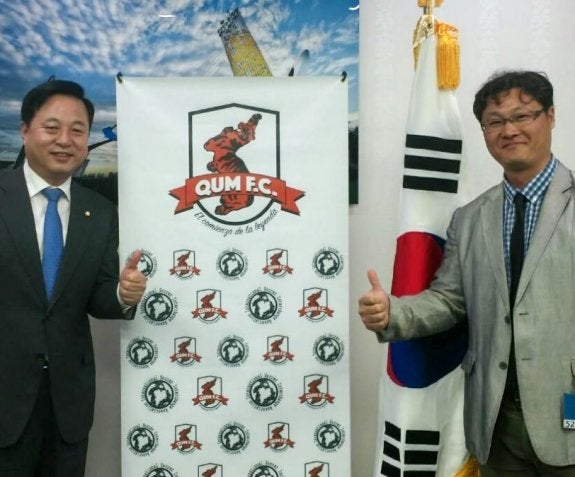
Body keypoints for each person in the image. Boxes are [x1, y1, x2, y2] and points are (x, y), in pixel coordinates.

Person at [358, 70, 575, 476]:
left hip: (567, 416)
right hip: (494, 424)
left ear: (550, 116)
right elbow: (449, 300)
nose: (509, 130)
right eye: (495, 122)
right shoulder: (470, 219)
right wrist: (393, 313)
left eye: (522, 116)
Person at [0, 80, 147, 476]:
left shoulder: (98, 211)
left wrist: (123, 292)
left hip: (68, 405)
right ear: (25, 129)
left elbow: (97, 299)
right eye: (51, 127)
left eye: (78, 130)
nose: (65, 140)